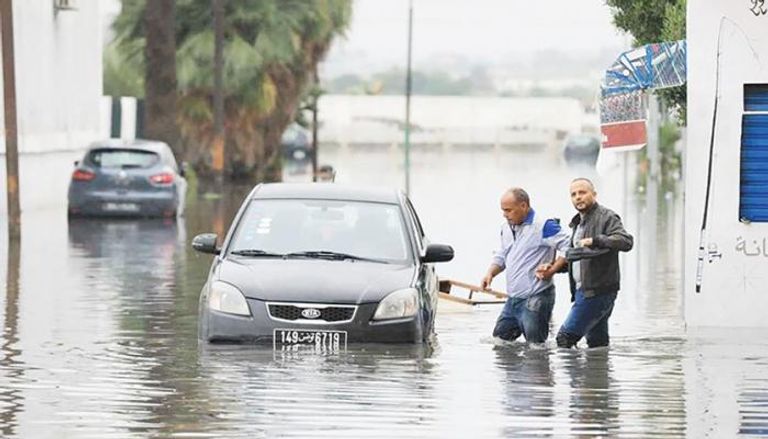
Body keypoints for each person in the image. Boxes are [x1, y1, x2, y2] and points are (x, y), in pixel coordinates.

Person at [481, 187, 570, 344]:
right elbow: (502, 254)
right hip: (513, 299)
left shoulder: (543, 225)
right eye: (503, 210)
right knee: (499, 342)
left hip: (536, 297)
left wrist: (553, 269)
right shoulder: (506, 227)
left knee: (536, 348)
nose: (504, 214)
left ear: (523, 206)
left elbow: (568, 246)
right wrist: (490, 274)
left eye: (508, 210)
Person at [554, 178, 633, 348]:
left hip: (597, 293)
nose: (578, 197)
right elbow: (580, 258)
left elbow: (626, 241)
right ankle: (599, 366)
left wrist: (595, 240)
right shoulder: (577, 223)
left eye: (582, 192)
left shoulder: (607, 217)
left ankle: (572, 368)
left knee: (564, 339)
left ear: (594, 194)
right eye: (573, 194)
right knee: (597, 344)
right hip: (583, 290)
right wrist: (554, 268)